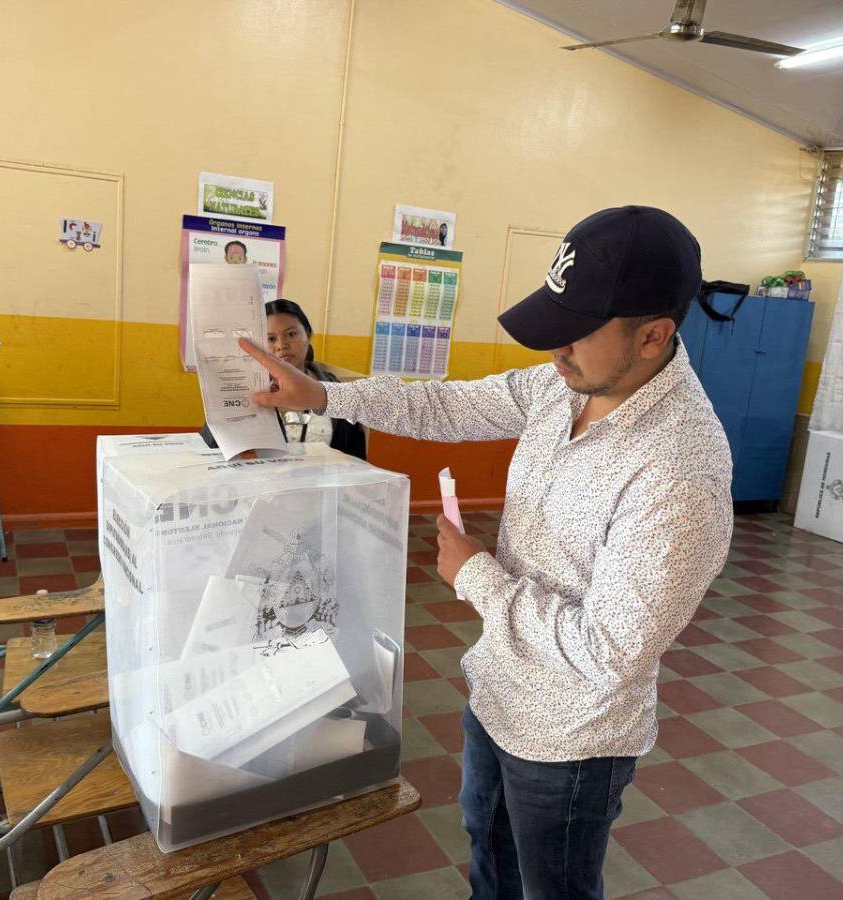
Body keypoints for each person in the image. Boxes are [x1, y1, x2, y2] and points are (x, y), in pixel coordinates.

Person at [238, 206, 733, 900]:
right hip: (500, 690)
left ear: (653, 336)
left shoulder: (680, 472)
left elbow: (611, 652)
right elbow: (449, 409)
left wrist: (478, 577)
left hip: (570, 739)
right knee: (491, 865)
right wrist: (325, 396)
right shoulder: (564, 385)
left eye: (576, 333)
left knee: (551, 888)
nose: (555, 352)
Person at [200, 299, 366, 460]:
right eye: (271, 339)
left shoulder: (335, 389)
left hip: (327, 486)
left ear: (308, 334)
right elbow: (209, 448)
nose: (281, 345)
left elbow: (356, 457)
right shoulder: (244, 389)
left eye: (291, 334)